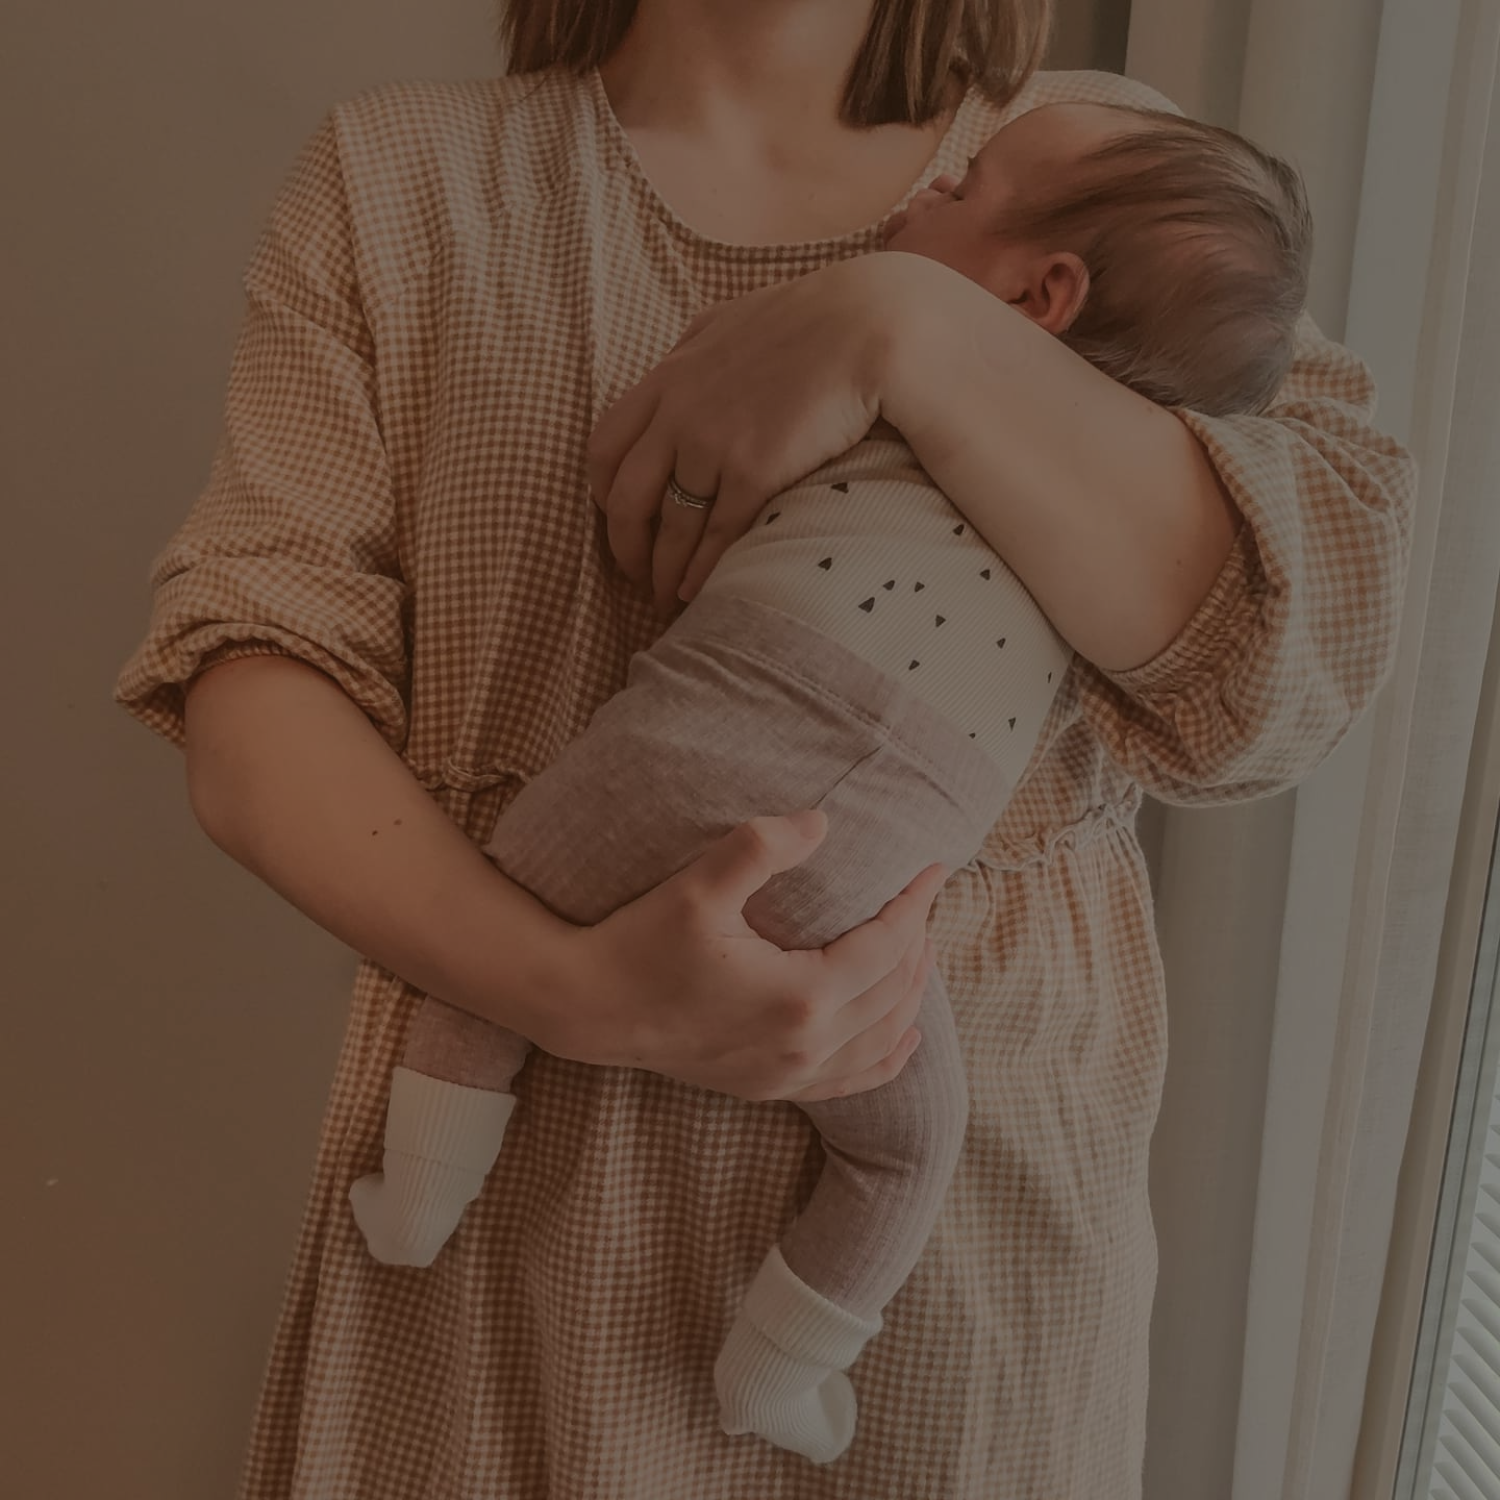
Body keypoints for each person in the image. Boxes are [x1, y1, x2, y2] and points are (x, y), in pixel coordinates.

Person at [112, 2, 1417, 1495]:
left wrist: (901, 325)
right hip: (520, 1222)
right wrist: (569, 990)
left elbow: (1288, 659)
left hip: (958, 1278)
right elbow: (251, 681)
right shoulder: (403, 180)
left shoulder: (1104, 158)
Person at [341, 97, 1316, 1469]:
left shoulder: (913, 388)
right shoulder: (1101, 496)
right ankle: (785, 1364)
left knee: (495, 913)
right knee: (905, 1146)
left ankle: (420, 1195)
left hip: (687, 765)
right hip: (878, 886)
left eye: (963, 190)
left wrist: (888, 317)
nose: (924, 196)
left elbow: (1289, 660)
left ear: (1042, 295)